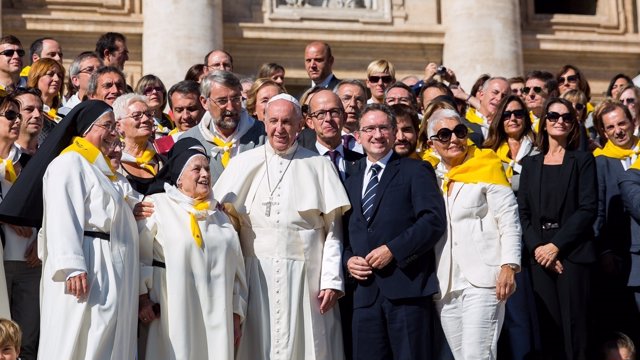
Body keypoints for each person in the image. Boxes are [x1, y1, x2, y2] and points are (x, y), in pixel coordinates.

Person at [213, 93, 350, 360]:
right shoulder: (242, 163)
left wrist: (331, 280)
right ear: (263, 122)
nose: (279, 129)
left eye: (287, 122)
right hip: (255, 274)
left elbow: (334, 231)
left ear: (301, 125)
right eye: (273, 121)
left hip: (307, 277)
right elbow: (224, 224)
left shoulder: (318, 164)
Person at [0, 100, 139, 359]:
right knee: (83, 333)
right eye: (106, 126)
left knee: (104, 334)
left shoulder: (103, 170)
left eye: (114, 126)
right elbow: (62, 214)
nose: (113, 133)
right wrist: (72, 264)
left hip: (109, 263)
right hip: (87, 261)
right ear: (86, 130)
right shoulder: (70, 163)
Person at [343, 103, 445, 359]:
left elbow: (432, 221)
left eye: (383, 128)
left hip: (407, 291)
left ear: (393, 132)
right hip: (364, 295)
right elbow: (342, 232)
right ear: (358, 136)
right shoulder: (350, 176)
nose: (377, 135)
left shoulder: (416, 170)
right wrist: (348, 261)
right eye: (369, 129)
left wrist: (393, 250)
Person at [137, 137, 247, 360]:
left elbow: (237, 273)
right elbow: (140, 256)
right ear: (179, 177)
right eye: (197, 169)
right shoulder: (156, 206)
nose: (205, 174)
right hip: (172, 311)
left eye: (207, 168)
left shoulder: (220, 216)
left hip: (218, 315)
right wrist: (142, 299)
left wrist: (236, 315)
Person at [425, 108, 520, 359]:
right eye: (444, 135)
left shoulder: (486, 165)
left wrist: (509, 265)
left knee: (477, 355)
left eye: (459, 132)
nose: (454, 139)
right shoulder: (429, 175)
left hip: (484, 280)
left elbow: (509, 219)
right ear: (432, 143)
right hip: (446, 283)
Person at [518, 97, 597, 360]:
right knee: (548, 330)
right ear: (544, 122)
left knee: (576, 332)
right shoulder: (530, 164)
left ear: (574, 124)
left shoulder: (583, 160)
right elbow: (524, 212)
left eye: (566, 117)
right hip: (539, 255)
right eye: (553, 116)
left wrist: (556, 247)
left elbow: (587, 209)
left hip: (572, 253)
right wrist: (539, 249)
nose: (559, 121)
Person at [591, 100, 640, 340]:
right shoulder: (600, 161)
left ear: (633, 122)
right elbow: (598, 209)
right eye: (610, 127)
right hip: (621, 255)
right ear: (603, 131)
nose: (618, 131)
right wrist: (604, 250)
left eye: (622, 123)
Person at [0, 93, 37, 360]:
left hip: (28, 263)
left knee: (26, 340)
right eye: (10, 115)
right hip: (0, 261)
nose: (17, 121)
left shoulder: (29, 163)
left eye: (18, 116)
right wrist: (7, 217)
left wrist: (42, 240)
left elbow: (47, 209)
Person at [182, 70, 265, 185]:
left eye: (236, 99)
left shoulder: (263, 135)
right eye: (222, 101)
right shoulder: (188, 142)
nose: (230, 108)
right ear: (204, 102)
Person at [484, 95, 537, 192]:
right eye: (506, 115)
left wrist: (510, 182)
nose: (513, 118)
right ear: (499, 119)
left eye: (518, 114)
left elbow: (540, 179)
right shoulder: (489, 151)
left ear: (525, 118)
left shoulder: (538, 147)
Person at [113, 93, 162, 194]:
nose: (145, 119)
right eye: (136, 116)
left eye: (148, 114)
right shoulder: (113, 164)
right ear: (118, 126)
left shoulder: (162, 159)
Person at [26, 58, 64, 123]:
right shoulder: (27, 113)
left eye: (59, 76)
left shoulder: (64, 117)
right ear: (36, 78)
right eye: (50, 74)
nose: (57, 79)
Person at [336, 79, 367, 154]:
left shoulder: (373, 139)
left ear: (365, 104)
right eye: (346, 98)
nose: (353, 104)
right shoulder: (319, 139)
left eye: (358, 100)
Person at [13, 88, 43, 155]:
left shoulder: (52, 155)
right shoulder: (3, 159)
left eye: (40, 110)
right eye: (29, 109)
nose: (37, 115)